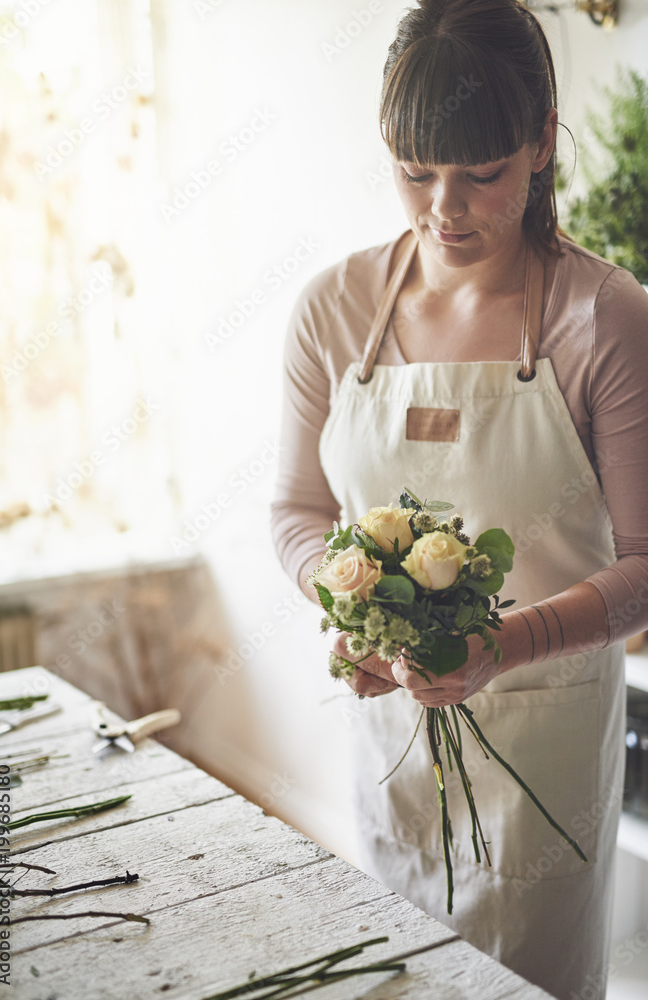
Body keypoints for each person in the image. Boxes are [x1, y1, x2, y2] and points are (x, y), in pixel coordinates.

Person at [270, 2, 648, 998]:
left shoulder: (602, 317)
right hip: (391, 735)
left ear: (538, 144)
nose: (445, 207)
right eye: (414, 169)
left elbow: (646, 569)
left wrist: (504, 646)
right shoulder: (332, 309)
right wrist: (347, 604)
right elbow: (295, 513)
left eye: (481, 174)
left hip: (545, 747)